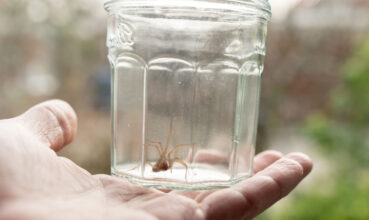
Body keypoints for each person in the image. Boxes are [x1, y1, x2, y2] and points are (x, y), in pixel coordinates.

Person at [0, 100, 312, 220]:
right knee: (167, 148)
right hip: (157, 171)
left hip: (164, 169)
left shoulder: (172, 159)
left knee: (174, 150)